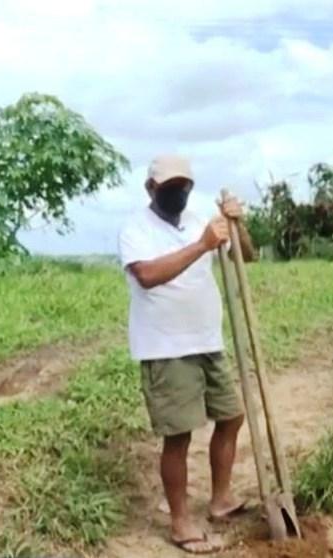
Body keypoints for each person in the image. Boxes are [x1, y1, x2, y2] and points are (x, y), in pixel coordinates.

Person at [118, 154, 256, 554]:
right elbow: (147, 276)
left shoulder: (200, 223)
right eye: (169, 187)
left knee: (232, 415)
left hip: (208, 341)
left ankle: (221, 499)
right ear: (150, 189)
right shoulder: (135, 229)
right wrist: (201, 246)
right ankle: (180, 522)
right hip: (166, 348)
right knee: (178, 436)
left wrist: (235, 225)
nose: (178, 193)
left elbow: (244, 256)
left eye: (184, 186)